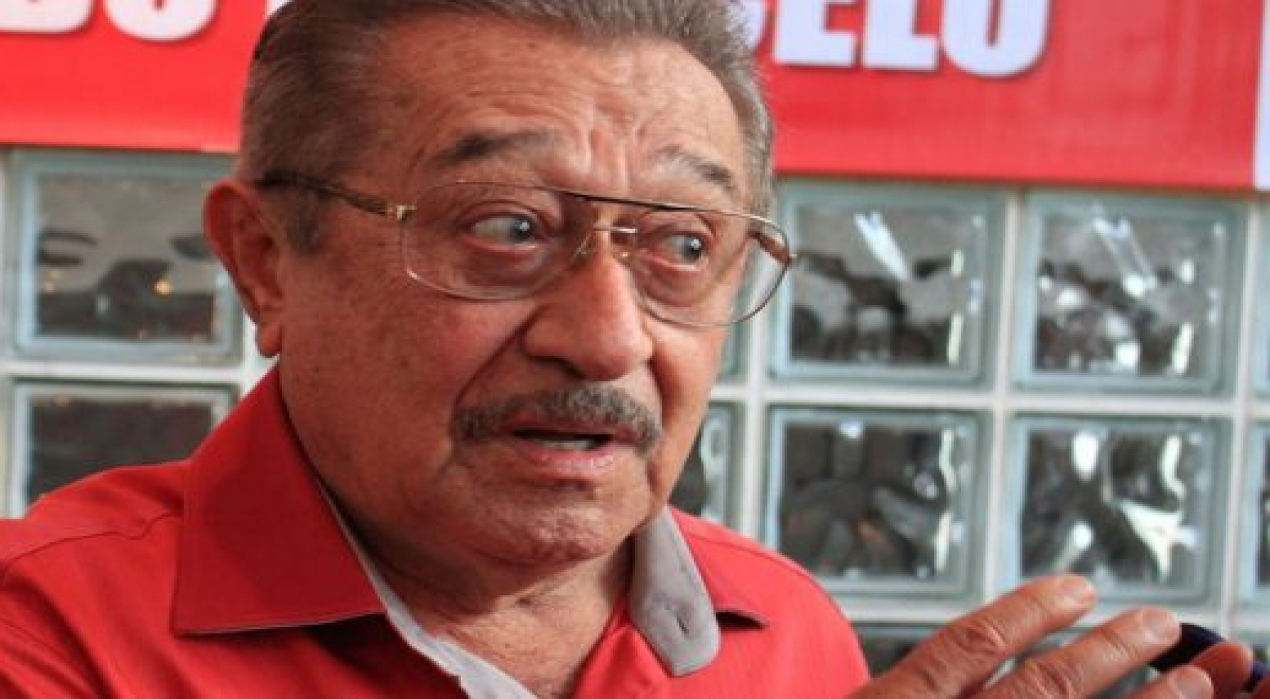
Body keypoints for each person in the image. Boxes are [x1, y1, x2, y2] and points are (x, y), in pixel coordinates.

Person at [0, 1, 1265, 697]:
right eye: (507, 228)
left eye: (680, 246)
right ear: (268, 259)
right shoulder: (51, 635)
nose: (606, 337)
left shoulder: (778, 631)